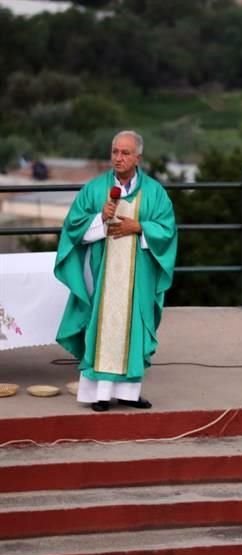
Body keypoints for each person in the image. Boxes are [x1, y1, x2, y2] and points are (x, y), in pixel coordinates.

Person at [54, 130, 177, 412]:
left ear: (138, 158)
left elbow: (168, 230)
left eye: (125, 153)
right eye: (114, 152)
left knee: (133, 329)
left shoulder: (155, 193)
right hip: (103, 277)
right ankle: (99, 394)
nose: (118, 158)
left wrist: (140, 227)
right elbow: (73, 228)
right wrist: (100, 218)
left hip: (138, 278)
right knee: (102, 328)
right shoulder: (95, 190)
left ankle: (129, 394)